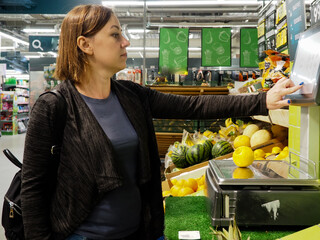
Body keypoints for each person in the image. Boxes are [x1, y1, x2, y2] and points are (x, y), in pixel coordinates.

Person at [20, 4, 302, 240]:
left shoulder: (131, 96)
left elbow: (194, 105)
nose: (125, 42)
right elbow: (33, 189)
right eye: (116, 34)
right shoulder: (54, 107)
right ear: (85, 44)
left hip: (139, 231)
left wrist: (262, 100)